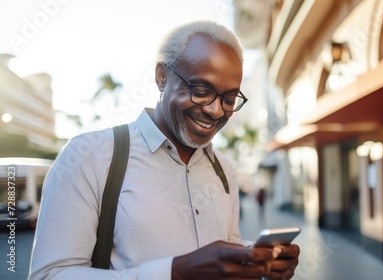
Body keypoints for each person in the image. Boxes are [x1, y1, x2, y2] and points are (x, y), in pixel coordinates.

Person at [29, 20, 299, 280]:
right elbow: (50, 274)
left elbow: (226, 247)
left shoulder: (224, 169)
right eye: (201, 89)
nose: (216, 110)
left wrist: (258, 261)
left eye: (228, 99)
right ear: (162, 76)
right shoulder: (90, 156)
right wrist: (176, 272)